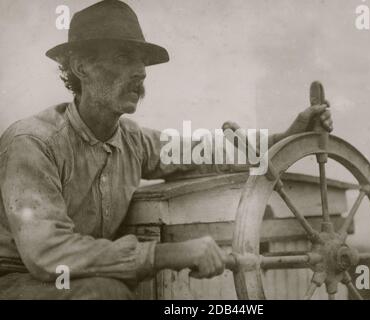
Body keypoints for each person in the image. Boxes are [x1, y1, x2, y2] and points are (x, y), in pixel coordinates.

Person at [0, 0, 332, 299]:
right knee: (105, 294)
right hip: (16, 279)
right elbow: (49, 254)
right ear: (81, 67)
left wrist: (289, 136)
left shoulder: (131, 141)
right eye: (123, 57)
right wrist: (164, 254)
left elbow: (205, 153)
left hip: (81, 278)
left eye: (142, 61)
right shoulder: (33, 143)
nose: (141, 72)